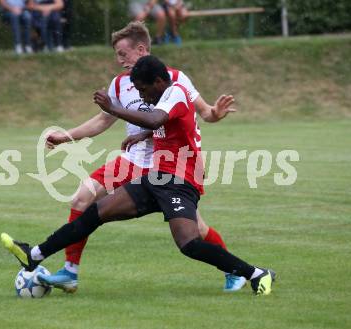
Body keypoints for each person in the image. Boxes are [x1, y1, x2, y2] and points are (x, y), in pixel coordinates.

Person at [1, 55, 275, 296]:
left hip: (180, 182)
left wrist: (113, 108)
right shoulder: (166, 95)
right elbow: (166, 124)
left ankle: (255, 274)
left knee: (190, 243)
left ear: (158, 81)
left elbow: (158, 119)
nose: (142, 97)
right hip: (157, 178)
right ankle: (34, 254)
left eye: (144, 91)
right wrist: (145, 134)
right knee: (94, 212)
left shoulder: (176, 92)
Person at [31, 21, 245, 293]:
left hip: (168, 166)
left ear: (141, 50)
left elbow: (204, 113)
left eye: (123, 54)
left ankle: (235, 271)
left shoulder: (175, 79)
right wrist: (65, 137)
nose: (119, 61)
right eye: (117, 55)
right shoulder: (119, 85)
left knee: (197, 230)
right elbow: (101, 121)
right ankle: (70, 271)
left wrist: (216, 112)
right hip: (132, 160)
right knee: (82, 197)